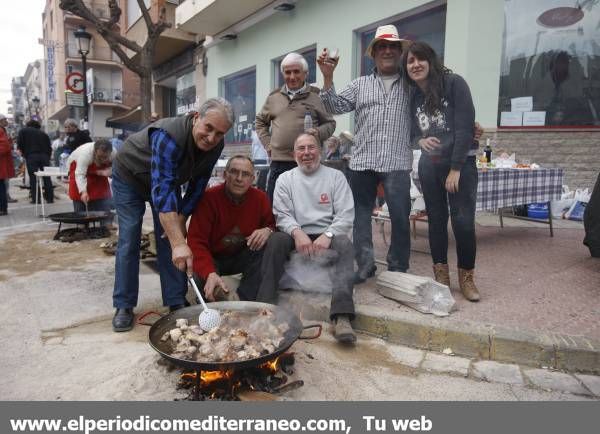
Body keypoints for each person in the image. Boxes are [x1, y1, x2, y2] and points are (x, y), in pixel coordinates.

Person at [111, 97, 233, 332]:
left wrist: (181, 218)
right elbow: (162, 191)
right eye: (208, 128)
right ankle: (124, 305)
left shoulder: (216, 145)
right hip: (130, 176)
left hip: (168, 179)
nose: (211, 138)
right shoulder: (168, 135)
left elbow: (198, 185)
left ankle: (175, 300)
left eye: (219, 134)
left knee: (170, 240)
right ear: (196, 117)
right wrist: (179, 241)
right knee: (130, 238)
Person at [318, 25, 413, 283]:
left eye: (393, 46)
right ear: (374, 53)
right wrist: (328, 77)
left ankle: (398, 267)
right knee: (360, 216)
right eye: (382, 46)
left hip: (398, 161)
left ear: (399, 51)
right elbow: (332, 106)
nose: (388, 51)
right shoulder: (360, 85)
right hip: (363, 161)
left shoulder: (411, 84)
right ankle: (365, 264)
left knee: (400, 215)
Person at [257, 133, 357, 344]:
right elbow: (281, 214)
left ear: (319, 151)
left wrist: (328, 234)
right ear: (294, 155)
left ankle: (342, 316)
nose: (306, 153)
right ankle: (264, 309)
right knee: (275, 240)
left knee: (345, 244)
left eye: (311, 148)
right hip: (296, 234)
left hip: (327, 233)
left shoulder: (335, 177)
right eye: (301, 149)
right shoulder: (285, 179)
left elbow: (346, 214)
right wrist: (296, 232)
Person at [405, 41, 480, 301]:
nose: (415, 65)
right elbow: (412, 130)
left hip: (460, 165)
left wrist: (456, 168)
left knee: (462, 222)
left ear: (431, 60)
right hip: (430, 166)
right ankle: (441, 275)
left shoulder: (454, 83)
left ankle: (467, 278)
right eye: (410, 61)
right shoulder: (413, 94)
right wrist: (419, 141)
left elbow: (465, 128)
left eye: (420, 59)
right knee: (436, 221)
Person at [187, 155, 275, 302]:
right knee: (198, 269)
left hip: (242, 255)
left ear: (253, 179)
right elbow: (196, 241)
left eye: (245, 174)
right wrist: (209, 272)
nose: (239, 178)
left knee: (268, 244)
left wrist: (267, 230)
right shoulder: (208, 198)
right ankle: (211, 297)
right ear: (225, 174)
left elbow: (272, 224)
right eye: (234, 172)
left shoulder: (260, 198)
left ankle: (245, 299)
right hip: (213, 257)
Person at [256, 52, 335, 202]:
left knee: (307, 206)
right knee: (276, 207)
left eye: (296, 71)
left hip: (308, 163)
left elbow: (330, 124)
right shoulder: (274, 97)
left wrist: (318, 132)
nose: (292, 76)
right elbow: (260, 121)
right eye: (287, 72)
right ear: (283, 74)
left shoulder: (317, 96)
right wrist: (267, 144)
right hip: (279, 163)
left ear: (305, 73)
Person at [66, 139, 115, 225]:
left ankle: (106, 224)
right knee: (79, 196)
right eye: (100, 157)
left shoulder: (114, 153)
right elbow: (80, 174)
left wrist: (109, 171)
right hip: (78, 169)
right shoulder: (85, 154)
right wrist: (83, 192)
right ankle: (82, 225)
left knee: (103, 195)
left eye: (105, 157)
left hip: (99, 172)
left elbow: (117, 168)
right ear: (95, 152)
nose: (103, 160)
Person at [16, 119, 53, 204]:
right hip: (44, 156)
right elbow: (49, 147)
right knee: (46, 177)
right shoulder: (43, 134)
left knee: (33, 178)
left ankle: (36, 199)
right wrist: (47, 157)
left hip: (32, 156)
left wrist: (24, 155)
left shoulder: (23, 131)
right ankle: (50, 198)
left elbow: (20, 144)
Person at [0, 114, 14, 216]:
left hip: (1, 163)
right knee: (2, 186)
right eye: (5, 120)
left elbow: (4, 147)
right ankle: (3, 208)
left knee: (1, 186)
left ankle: (2, 209)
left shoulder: (1, 131)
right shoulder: (2, 131)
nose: (7, 121)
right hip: (2, 163)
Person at [250, 125, 269, 191]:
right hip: (260, 157)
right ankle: (259, 188)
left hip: (262, 157)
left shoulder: (256, 134)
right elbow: (253, 146)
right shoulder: (256, 134)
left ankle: (260, 189)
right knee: (261, 176)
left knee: (262, 176)